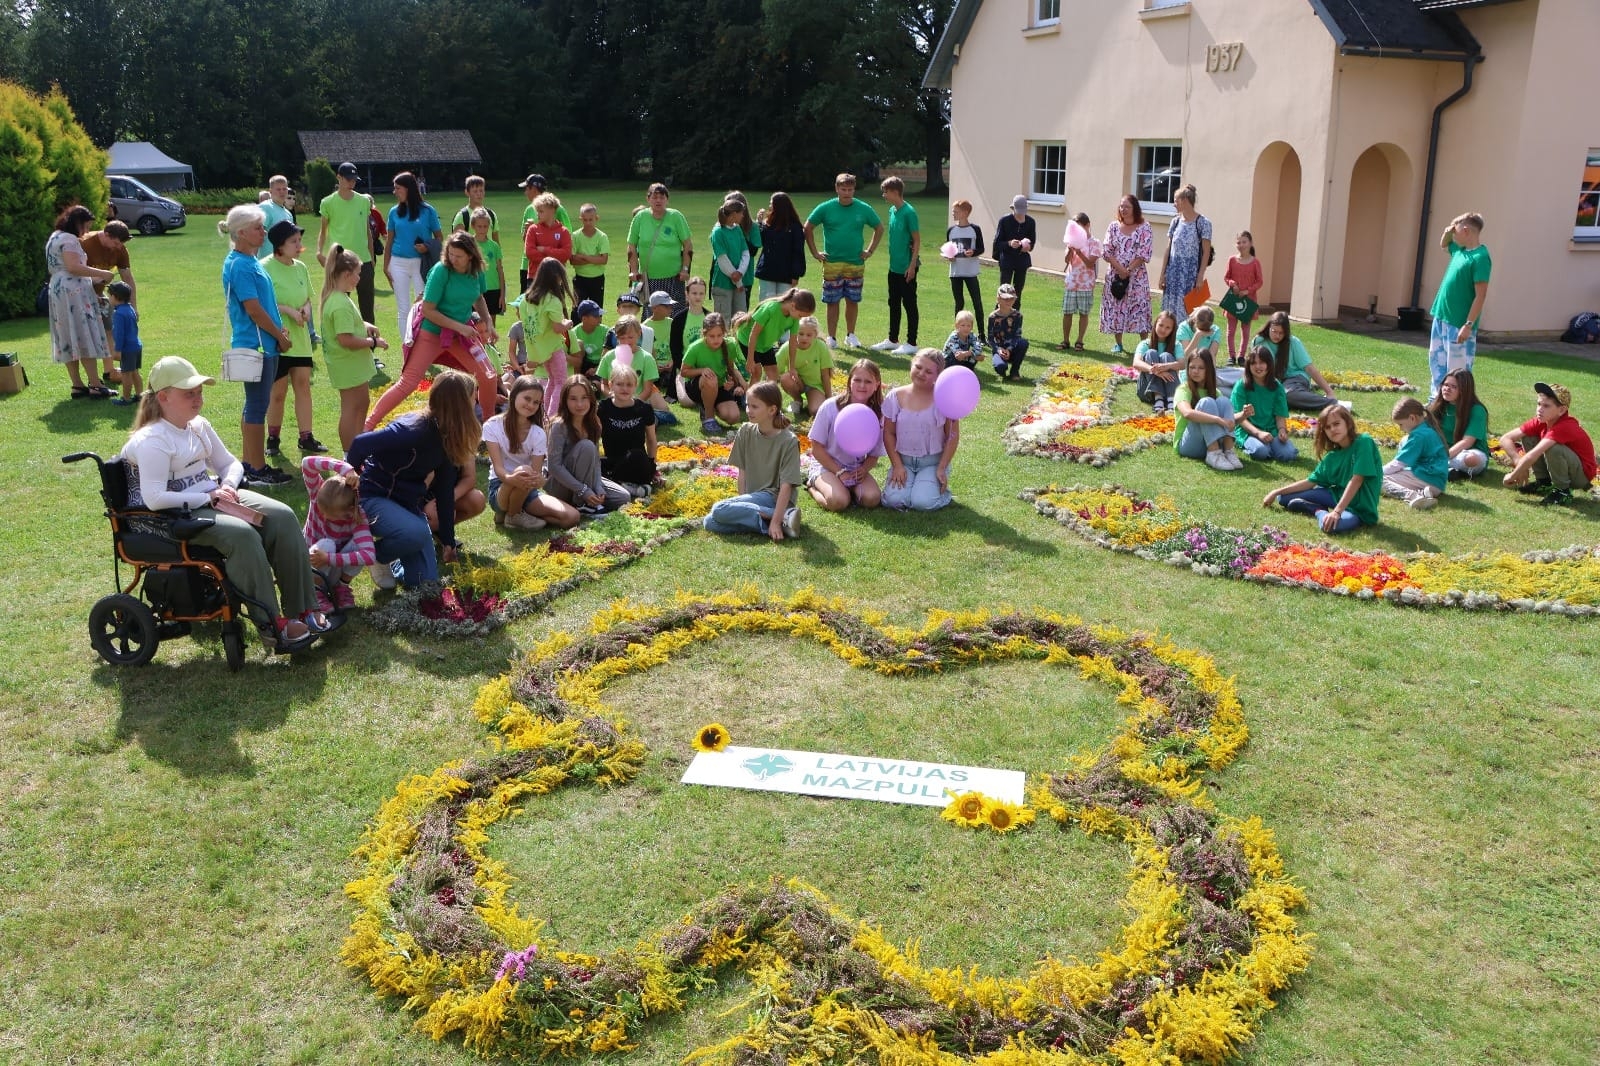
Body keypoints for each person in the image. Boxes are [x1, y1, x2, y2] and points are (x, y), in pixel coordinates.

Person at [122, 356, 322, 650]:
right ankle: (271, 624)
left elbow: (230, 464)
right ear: (163, 397)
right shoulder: (152, 439)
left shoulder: (198, 426)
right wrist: (208, 496)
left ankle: (304, 608)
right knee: (242, 535)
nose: (197, 398)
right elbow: (154, 498)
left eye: (199, 391)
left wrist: (227, 486)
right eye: (188, 393)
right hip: (172, 516)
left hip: (212, 497)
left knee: (282, 515)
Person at [348, 369, 480, 590]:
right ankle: (375, 555)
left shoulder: (447, 434)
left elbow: (445, 491)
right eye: (473, 397)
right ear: (459, 404)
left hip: (406, 504)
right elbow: (360, 444)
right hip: (374, 497)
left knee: (424, 583)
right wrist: (353, 478)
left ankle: (395, 558)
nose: (476, 402)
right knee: (416, 533)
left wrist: (448, 540)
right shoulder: (412, 430)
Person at [367, 231, 498, 430]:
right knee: (409, 382)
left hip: (460, 335)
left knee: (488, 376)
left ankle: (489, 429)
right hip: (433, 333)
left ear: (471, 255)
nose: (453, 259)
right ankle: (368, 426)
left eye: (459, 256)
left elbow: (478, 297)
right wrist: (461, 327)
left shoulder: (476, 271)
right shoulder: (441, 271)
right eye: (451, 254)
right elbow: (428, 310)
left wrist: (488, 321)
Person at [220, 204, 294, 487]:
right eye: (257, 228)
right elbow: (253, 310)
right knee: (257, 405)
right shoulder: (240, 264)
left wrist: (278, 331)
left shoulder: (247, 260)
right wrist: (280, 335)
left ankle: (250, 463)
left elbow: (263, 305)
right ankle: (256, 468)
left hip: (264, 343)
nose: (263, 232)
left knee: (255, 404)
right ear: (241, 232)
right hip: (257, 345)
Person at [703, 380, 803, 540]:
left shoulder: (788, 441)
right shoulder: (745, 430)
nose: (749, 410)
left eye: (755, 406)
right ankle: (782, 521)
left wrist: (775, 520)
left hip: (774, 498)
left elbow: (787, 487)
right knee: (709, 522)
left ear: (772, 410)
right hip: (754, 498)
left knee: (718, 509)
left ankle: (780, 516)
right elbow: (742, 472)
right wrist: (742, 502)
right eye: (748, 405)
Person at [261, 220, 327, 458]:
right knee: (277, 392)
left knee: (303, 388)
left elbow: (308, 297)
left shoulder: (301, 267)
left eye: (299, 240)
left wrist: (307, 310)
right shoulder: (265, 267)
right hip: (278, 340)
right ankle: (273, 438)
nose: (299, 245)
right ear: (279, 245)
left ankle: (306, 437)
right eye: (293, 241)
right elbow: (262, 304)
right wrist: (288, 311)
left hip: (300, 339)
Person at [1263, 404, 1383, 533]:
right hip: (1335, 496)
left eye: (1336, 424)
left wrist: (1336, 512)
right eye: (1327, 427)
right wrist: (1276, 491)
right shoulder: (1332, 457)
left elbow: (1357, 479)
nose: (1332, 429)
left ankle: (1318, 510)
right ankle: (1318, 506)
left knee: (1330, 525)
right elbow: (1310, 482)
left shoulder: (1364, 442)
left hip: (1360, 508)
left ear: (1347, 423)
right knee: (1283, 498)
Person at [483, 375, 580, 532]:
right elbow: (499, 469)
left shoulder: (538, 433)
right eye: (527, 398)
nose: (531, 405)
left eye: (536, 402)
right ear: (513, 395)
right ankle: (512, 515)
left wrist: (540, 481)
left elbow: (536, 473)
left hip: (525, 489)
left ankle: (513, 514)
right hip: (501, 486)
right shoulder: (492, 426)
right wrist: (511, 479)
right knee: (524, 471)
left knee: (572, 517)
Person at [804, 173, 884, 349]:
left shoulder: (863, 208)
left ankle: (851, 335)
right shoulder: (826, 208)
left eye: (850, 189)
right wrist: (815, 252)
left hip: (855, 262)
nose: (847, 193)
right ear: (837, 188)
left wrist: (870, 250)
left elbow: (879, 228)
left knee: (852, 300)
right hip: (832, 262)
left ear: (854, 189)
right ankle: (832, 338)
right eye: (843, 189)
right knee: (832, 301)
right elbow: (808, 227)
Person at [319, 244, 385, 451]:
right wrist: (373, 343)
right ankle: (350, 453)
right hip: (346, 363)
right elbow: (345, 339)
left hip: (353, 364)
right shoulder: (339, 303)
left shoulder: (341, 298)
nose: (359, 278)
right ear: (346, 274)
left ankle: (359, 446)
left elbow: (352, 326)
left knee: (362, 402)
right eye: (357, 274)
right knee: (350, 407)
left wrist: (366, 326)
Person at [47, 205, 115, 399]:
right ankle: (95, 384)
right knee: (83, 334)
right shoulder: (68, 239)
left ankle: (77, 384)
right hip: (73, 293)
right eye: (85, 226)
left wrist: (92, 279)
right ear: (76, 222)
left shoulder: (55, 236)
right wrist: (101, 273)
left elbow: (65, 268)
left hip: (60, 289)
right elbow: (73, 266)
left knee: (67, 335)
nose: (86, 231)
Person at [883, 350, 959, 511]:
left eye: (929, 371)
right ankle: (909, 487)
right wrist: (897, 465)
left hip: (932, 463)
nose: (921, 373)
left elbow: (952, 436)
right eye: (918, 367)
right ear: (911, 365)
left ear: (938, 375)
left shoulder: (944, 399)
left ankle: (941, 494)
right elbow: (888, 433)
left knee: (922, 503)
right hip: (904, 462)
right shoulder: (895, 396)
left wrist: (941, 467)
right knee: (893, 501)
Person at [804, 359, 885, 511]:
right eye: (857, 380)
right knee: (839, 502)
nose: (862, 386)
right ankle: (812, 487)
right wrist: (839, 472)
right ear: (849, 382)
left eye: (868, 381)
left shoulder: (878, 414)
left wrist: (864, 469)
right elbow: (816, 448)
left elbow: (874, 455)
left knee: (872, 499)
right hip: (826, 466)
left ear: (877, 385)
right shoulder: (830, 407)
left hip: (855, 468)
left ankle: (846, 489)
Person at [300, 456, 377, 612]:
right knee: (327, 544)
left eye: (332, 515)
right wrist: (346, 469)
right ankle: (316, 592)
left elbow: (369, 555)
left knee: (358, 545)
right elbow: (307, 463)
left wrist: (329, 559)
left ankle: (340, 588)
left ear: (349, 511)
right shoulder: (316, 494)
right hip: (308, 566)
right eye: (322, 511)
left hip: (330, 563)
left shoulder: (357, 517)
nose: (325, 517)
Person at [1500, 382, 1595, 507]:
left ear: (1561, 410)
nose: (1540, 409)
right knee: (1529, 436)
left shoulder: (1565, 425)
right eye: (1539, 404)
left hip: (1581, 476)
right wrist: (1518, 461)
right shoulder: (1543, 420)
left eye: (1546, 406)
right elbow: (1505, 438)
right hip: (1568, 467)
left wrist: (1512, 476)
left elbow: (1534, 454)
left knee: (1554, 448)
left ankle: (1563, 492)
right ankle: (1544, 482)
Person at [1428, 212, 1491, 399]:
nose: (1452, 233)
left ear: (1465, 231)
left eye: (1455, 230)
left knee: (1457, 372)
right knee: (1437, 363)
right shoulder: (1460, 252)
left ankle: (1458, 408)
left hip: (1459, 324)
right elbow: (1444, 244)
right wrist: (1448, 231)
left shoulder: (1481, 257)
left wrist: (1468, 325)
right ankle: (1435, 402)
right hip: (1441, 317)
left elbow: (1481, 295)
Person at [546, 377, 632, 514]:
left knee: (623, 497)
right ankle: (583, 504)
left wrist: (598, 487)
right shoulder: (559, 426)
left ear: (591, 399)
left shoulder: (594, 424)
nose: (579, 404)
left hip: (587, 479)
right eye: (573, 399)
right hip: (560, 484)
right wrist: (583, 490)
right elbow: (554, 466)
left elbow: (596, 461)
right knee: (586, 446)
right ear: (564, 401)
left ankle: (588, 500)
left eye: (584, 398)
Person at [316, 162, 378, 324]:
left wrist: (371, 259)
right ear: (339, 178)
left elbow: (367, 232)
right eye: (348, 179)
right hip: (340, 261)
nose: (352, 182)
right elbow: (323, 231)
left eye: (354, 180)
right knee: (340, 306)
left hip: (363, 261)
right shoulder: (327, 202)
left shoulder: (363, 201)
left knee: (367, 308)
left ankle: (370, 344)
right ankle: (345, 342)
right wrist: (319, 252)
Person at [384, 171, 443, 342]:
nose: (394, 192)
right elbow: (389, 241)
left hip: (421, 263)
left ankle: (422, 343)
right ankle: (406, 345)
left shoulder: (428, 211)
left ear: (408, 188)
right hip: (397, 263)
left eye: (398, 188)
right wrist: (385, 266)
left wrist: (427, 246)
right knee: (403, 308)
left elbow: (439, 237)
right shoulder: (394, 212)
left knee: (422, 305)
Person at [78, 218, 138, 384]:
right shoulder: (85, 244)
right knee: (86, 335)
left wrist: (133, 307)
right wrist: (95, 279)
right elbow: (72, 270)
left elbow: (127, 278)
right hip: (79, 295)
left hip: (100, 294)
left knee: (109, 328)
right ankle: (91, 380)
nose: (119, 247)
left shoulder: (120, 250)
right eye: (117, 243)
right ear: (106, 235)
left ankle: (109, 371)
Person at [519, 256, 575, 420]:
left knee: (552, 380)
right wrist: (568, 323)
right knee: (561, 381)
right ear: (556, 278)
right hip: (552, 347)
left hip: (538, 348)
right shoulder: (552, 300)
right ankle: (551, 417)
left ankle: (543, 415)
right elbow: (558, 328)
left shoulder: (526, 298)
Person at [872, 176, 921, 355]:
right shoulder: (893, 210)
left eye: (885, 192)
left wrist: (912, 266)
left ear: (895, 192)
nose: (883, 195)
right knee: (893, 303)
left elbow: (916, 240)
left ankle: (912, 342)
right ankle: (893, 339)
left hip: (907, 268)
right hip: (893, 267)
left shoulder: (909, 212)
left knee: (909, 304)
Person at [627, 182, 693, 313]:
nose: (658, 200)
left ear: (667, 199)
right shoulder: (640, 217)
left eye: (662, 197)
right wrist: (634, 271)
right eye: (654, 197)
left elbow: (688, 245)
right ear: (648, 199)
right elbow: (631, 246)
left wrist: (685, 269)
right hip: (649, 278)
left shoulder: (676, 217)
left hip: (674, 278)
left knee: (675, 315)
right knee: (651, 315)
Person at [1100, 195, 1153, 354]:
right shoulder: (1113, 227)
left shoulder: (1145, 227)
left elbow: (1145, 253)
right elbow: (1107, 251)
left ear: (1135, 208)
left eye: (1127, 207)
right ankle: (1118, 343)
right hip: (1116, 275)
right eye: (1121, 206)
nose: (1123, 209)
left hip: (1137, 277)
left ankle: (1145, 344)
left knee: (1140, 308)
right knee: (1117, 307)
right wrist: (1120, 270)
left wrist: (1128, 270)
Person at [1173, 350, 1242, 470]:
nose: (1195, 371)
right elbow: (1187, 413)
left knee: (1224, 401)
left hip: (1209, 441)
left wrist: (1244, 415)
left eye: (1201, 368)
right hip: (1189, 445)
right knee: (1207, 402)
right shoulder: (1183, 389)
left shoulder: (1215, 392)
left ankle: (1228, 451)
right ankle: (1213, 454)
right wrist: (1217, 420)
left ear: (1209, 370)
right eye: (1192, 367)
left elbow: (1227, 420)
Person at [680, 311, 747, 433]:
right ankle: (709, 418)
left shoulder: (730, 345)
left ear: (724, 333)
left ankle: (708, 405)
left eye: (720, 335)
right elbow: (684, 372)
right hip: (697, 387)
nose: (716, 340)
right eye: (711, 336)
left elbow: (730, 369)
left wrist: (731, 381)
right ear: (704, 333)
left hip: (719, 386)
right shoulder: (695, 348)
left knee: (733, 417)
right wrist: (701, 370)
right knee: (711, 378)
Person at [597, 365, 658, 496]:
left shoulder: (644, 409)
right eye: (620, 384)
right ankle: (626, 485)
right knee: (592, 464)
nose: (625, 389)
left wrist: (652, 466)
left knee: (637, 455)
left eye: (629, 385)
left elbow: (652, 440)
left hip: (637, 461)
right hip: (613, 462)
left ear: (636, 386)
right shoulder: (603, 408)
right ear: (611, 385)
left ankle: (618, 484)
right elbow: (594, 438)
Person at [1255, 312, 1336, 410]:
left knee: (1287, 395)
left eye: (1281, 333)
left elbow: (1309, 368)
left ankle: (1331, 403)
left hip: (1295, 378)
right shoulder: (1259, 341)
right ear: (1268, 327)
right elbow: (1254, 365)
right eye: (1274, 331)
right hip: (1271, 380)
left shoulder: (1293, 342)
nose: (1277, 335)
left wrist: (1329, 392)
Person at [738, 287, 816, 385]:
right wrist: (750, 359)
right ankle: (749, 400)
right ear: (793, 305)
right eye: (800, 315)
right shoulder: (771, 309)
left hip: (765, 345)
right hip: (747, 340)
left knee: (773, 374)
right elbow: (753, 334)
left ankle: (766, 399)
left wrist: (792, 367)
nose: (800, 319)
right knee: (757, 371)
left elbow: (793, 342)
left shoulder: (794, 317)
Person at [1231, 345, 1296, 461]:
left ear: (1269, 365)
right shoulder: (1241, 386)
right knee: (1261, 452)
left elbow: (1280, 415)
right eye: (1253, 363)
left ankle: (1271, 447)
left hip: (1271, 430)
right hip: (1248, 431)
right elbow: (1238, 419)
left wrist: (1281, 430)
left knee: (1288, 454)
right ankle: (1255, 446)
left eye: (1262, 362)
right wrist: (1258, 433)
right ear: (1248, 366)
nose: (1258, 367)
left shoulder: (1277, 387)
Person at [1382, 398, 1448, 511]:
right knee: (1404, 440)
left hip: (1427, 477)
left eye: (1401, 424)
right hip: (1437, 482)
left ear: (1412, 418)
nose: (1400, 428)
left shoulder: (1418, 435)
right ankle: (1424, 493)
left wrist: (1376, 471)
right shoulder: (1427, 427)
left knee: (1377, 480)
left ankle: (1413, 496)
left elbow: (1399, 463)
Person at [1426, 369, 1490, 481]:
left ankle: (1437, 465)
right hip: (1443, 450)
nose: (1447, 389)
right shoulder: (1437, 406)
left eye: (1453, 387)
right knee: (1406, 440)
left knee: (1471, 459)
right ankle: (1448, 469)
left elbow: (1467, 442)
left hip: (1467, 451)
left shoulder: (1477, 410)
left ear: (1464, 390)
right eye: (1445, 385)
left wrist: (1442, 457)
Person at [1159, 184, 1212, 317]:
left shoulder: (1203, 223)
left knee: (1187, 313)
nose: (1174, 204)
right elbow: (1168, 249)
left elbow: (1206, 252)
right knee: (1168, 314)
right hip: (1172, 275)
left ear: (1184, 201)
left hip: (1190, 276)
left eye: (1175, 200)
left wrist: (1200, 276)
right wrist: (1162, 274)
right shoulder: (1175, 222)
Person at [517, 173, 571, 294]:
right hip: (529, 267)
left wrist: (545, 250)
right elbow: (526, 244)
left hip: (555, 272)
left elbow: (566, 242)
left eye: (527, 188)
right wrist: (528, 232)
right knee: (525, 303)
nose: (525, 192)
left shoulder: (558, 209)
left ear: (534, 189)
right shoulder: (528, 209)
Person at [755, 191, 806, 301]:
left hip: (786, 273)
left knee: (784, 304)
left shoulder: (795, 227)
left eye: (771, 203)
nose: (769, 206)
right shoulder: (768, 223)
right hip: (768, 270)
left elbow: (798, 252)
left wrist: (795, 275)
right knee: (766, 303)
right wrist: (759, 223)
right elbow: (762, 242)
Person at [779, 315, 832, 420]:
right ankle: (797, 401)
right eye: (801, 334)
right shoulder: (787, 347)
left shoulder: (821, 346)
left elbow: (825, 375)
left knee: (816, 411)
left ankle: (814, 400)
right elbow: (774, 373)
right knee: (785, 377)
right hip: (796, 382)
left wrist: (829, 399)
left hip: (815, 386)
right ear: (794, 332)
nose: (804, 338)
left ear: (815, 335)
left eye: (809, 335)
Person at [1223, 231, 1262, 364]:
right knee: (1230, 330)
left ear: (1250, 243)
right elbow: (1227, 277)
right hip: (1233, 300)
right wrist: (1232, 283)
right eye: (1238, 242)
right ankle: (1231, 356)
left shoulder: (1255, 262)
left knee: (1245, 330)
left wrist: (1247, 291)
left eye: (1244, 242)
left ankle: (1241, 356)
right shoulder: (1232, 260)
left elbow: (1259, 281)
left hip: (1248, 300)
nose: (1241, 245)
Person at [1060, 212, 1098, 351]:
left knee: (1083, 313)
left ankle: (1080, 341)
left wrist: (1080, 251)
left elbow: (1090, 264)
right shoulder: (1071, 241)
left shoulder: (1094, 243)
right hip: (1071, 282)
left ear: (1088, 225)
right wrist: (1071, 250)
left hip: (1086, 284)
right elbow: (1066, 260)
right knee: (1067, 312)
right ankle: (1065, 340)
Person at [1132, 309, 1181, 414]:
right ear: (1155, 325)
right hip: (1147, 391)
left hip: (1170, 389)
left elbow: (1183, 363)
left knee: (1166, 356)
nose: (1163, 329)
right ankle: (1158, 398)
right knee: (1151, 353)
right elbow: (1136, 362)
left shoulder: (1176, 345)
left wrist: (1166, 366)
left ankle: (1171, 400)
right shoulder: (1145, 343)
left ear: (1172, 330)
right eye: (1161, 325)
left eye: (1168, 327)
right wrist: (1154, 370)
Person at [709, 199, 752, 319]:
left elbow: (745, 252)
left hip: (739, 282)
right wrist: (737, 279)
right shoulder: (718, 232)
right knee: (724, 318)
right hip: (722, 283)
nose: (743, 215)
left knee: (740, 317)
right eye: (741, 213)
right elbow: (722, 259)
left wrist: (740, 272)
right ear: (733, 215)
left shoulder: (737, 229)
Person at [994, 194, 1037, 307]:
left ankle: (1015, 318)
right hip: (1007, 260)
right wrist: (1009, 243)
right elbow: (998, 243)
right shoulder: (1004, 221)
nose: (1021, 214)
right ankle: (999, 314)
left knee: (1018, 291)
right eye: (1018, 211)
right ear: (1013, 208)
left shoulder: (1031, 222)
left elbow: (1032, 243)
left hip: (1021, 261)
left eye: (1023, 211)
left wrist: (1028, 246)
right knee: (1004, 289)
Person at [668, 276, 711, 385]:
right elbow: (675, 350)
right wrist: (688, 370)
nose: (698, 297)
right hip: (685, 370)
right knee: (689, 401)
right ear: (687, 294)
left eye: (701, 293)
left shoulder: (710, 317)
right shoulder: (678, 319)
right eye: (694, 293)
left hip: (707, 368)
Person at [945, 199, 984, 315]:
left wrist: (973, 252)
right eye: (953, 211)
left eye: (956, 211)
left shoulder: (975, 229)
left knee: (976, 302)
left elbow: (981, 248)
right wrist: (949, 257)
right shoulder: (951, 230)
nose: (953, 213)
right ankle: (958, 330)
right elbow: (949, 250)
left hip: (970, 272)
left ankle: (982, 332)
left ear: (965, 213)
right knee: (959, 303)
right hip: (955, 273)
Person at [107, 281, 142, 405]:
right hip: (136, 346)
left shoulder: (119, 314)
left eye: (109, 295)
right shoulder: (130, 308)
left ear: (116, 297)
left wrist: (117, 350)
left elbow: (119, 334)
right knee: (135, 372)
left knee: (126, 374)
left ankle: (126, 399)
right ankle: (139, 395)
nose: (108, 298)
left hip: (127, 348)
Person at [470, 208, 506, 325]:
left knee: (491, 322)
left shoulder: (494, 246)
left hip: (493, 288)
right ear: (473, 226)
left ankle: (491, 343)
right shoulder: (469, 244)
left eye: (485, 226)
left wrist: (502, 294)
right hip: (475, 288)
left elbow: (500, 270)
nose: (482, 229)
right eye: (479, 226)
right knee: (476, 322)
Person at [569, 203, 610, 308]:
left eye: (590, 219)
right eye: (585, 220)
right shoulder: (575, 236)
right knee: (577, 308)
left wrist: (584, 257)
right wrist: (594, 258)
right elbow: (572, 260)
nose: (588, 223)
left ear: (596, 218)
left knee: (597, 308)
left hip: (597, 278)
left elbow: (603, 260)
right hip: (580, 278)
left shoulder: (602, 237)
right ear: (580, 219)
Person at [523, 192, 572, 277]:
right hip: (535, 276)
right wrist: (555, 256)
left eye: (541, 211)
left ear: (552, 210)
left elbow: (566, 254)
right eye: (537, 211)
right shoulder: (533, 229)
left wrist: (544, 249)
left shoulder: (563, 231)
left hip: (557, 277)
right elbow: (530, 253)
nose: (538, 214)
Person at [987, 283, 1028, 380]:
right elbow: (990, 338)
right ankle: (1002, 367)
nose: (1008, 301)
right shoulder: (992, 317)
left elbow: (1017, 336)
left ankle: (1014, 371)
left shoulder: (1018, 316)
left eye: (1011, 298)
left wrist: (1009, 349)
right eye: (1005, 298)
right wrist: (998, 350)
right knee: (1001, 367)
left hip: (1012, 348)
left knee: (1023, 343)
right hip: (999, 349)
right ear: (998, 299)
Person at [567, 299, 611, 384]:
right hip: (582, 365)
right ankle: (576, 382)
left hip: (601, 365)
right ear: (584, 318)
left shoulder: (606, 331)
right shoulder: (574, 333)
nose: (599, 318)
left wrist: (596, 369)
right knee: (578, 344)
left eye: (600, 315)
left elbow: (610, 355)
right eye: (596, 316)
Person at [450, 175, 498, 241]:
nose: (479, 194)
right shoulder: (462, 216)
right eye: (475, 191)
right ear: (467, 192)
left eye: (481, 190)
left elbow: (496, 243)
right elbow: (457, 245)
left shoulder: (491, 214)